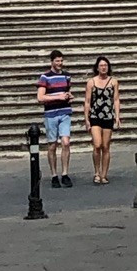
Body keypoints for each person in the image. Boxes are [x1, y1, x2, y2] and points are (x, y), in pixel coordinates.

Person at [37, 49, 74, 187]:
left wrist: (69, 96)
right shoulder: (45, 77)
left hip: (64, 112)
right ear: (52, 62)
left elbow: (67, 91)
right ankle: (53, 174)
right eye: (57, 61)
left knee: (66, 142)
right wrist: (58, 97)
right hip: (51, 114)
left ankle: (65, 173)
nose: (60, 63)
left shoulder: (66, 76)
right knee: (52, 145)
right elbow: (40, 97)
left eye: (61, 61)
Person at [83, 56, 120, 184]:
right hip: (95, 116)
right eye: (101, 65)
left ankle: (104, 174)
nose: (103, 67)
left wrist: (117, 116)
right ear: (97, 67)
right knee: (97, 144)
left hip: (108, 116)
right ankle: (96, 172)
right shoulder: (91, 82)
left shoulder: (113, 82)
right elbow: (87, 102)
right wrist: (86, 119)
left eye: (105, 65)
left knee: (106, 146)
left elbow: (115, 99)